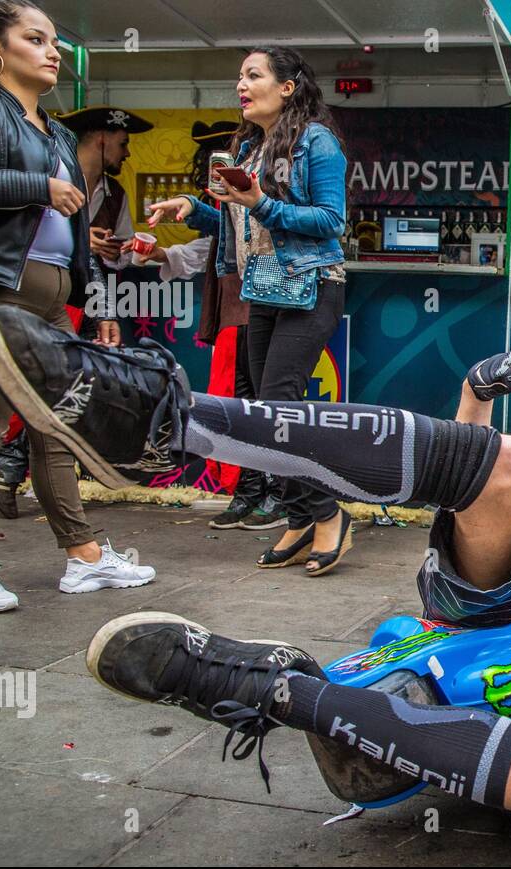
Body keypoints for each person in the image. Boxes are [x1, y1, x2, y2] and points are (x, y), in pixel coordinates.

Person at [0, 302, 511, 857]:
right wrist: (475, 394)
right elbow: (477, 491)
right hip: (497, 602)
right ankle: (164, 420)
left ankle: (280, 690)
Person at [0, 0, 154, 615]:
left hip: (52, 300)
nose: (54, 50)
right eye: (36, 38)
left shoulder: (56, 132)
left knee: (56, 428)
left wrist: (98, 302)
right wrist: (36, 186)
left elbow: (76, 239)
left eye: (55, 41)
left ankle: (83, 557)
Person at [147, 46, 350, 574]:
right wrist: (195, 210)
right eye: (239, 76)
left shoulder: (317, 142)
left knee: (281, 407)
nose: (241, 84)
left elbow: (331, 220)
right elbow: (242, 226)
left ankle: (327, 516)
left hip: (310, 288)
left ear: (287, 87)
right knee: (264, 414)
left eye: (253, 75)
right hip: (262, 294)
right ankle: (301, 517)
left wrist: (258, 201)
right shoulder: (252, 147)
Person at [135, 120, 284, 532]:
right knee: (240, 401)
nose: (212, 169)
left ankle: (271, 490)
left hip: (254, 304)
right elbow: (216, 242)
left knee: (256, 402)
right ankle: (250, 489)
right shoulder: (223, 200)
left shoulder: (263, 186)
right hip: (235, 306)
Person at [55, 105, 154, 274]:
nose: (127, 153)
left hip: (92, 295)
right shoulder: (54, 178)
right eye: (123, 144)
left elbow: (124, 253)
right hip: (53, 289)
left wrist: (114, 254)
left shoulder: (116, 193)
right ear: (101, 140)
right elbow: (27, 235)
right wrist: (80, 239)